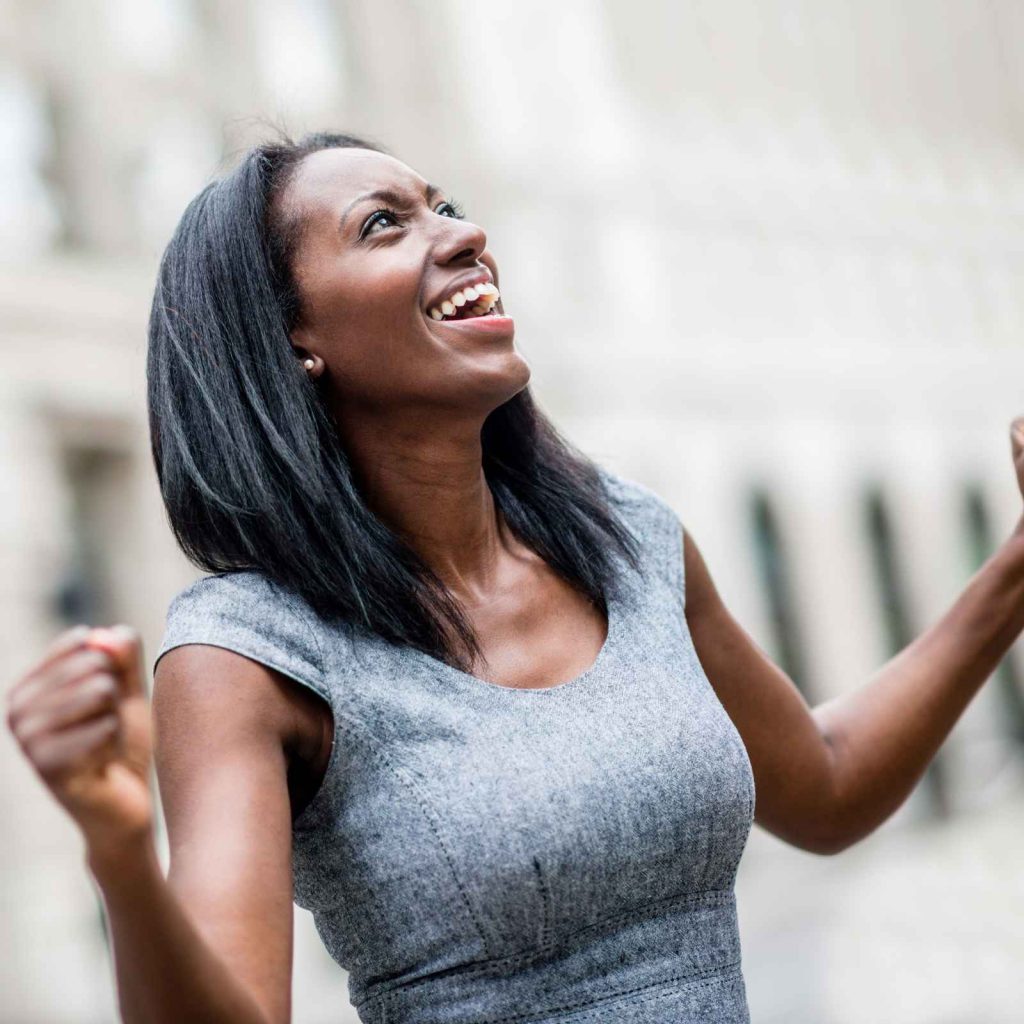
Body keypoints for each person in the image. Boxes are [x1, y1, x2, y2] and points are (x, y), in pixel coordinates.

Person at [7, 129, 1024, 1024]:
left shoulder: (628, 542)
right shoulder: (245, 654)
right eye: (382, 224)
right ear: (293, 341)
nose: (459, 232)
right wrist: (120, 850)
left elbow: (826, 783)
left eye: (444, 205)